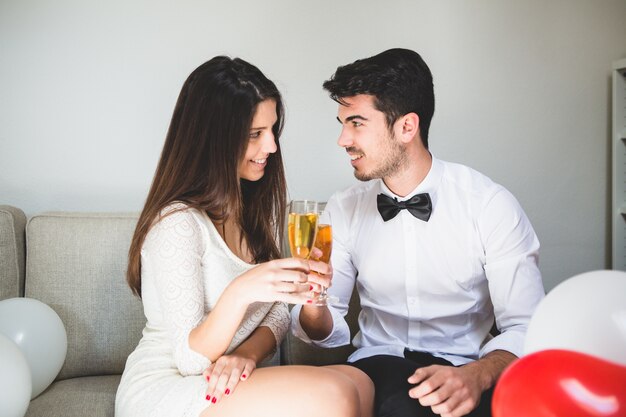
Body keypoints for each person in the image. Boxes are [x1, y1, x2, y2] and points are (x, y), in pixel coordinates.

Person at [292, 48, 546, 417]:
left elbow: (526, 325)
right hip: (376, 367)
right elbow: (325, 332)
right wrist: (313, 301)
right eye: (342, 123)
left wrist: (478, 375)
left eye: (357, 123)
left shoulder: (489, 205)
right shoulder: (344, 208)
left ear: (407, 127)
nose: (343, 139)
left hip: (467, 367)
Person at [115, 56, 373, 417]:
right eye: (255, 134)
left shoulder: (251, 206)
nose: (271, 147)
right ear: (213, 139)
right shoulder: (177, 222)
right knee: (334, 394)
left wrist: (246, 354)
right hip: (172, 386)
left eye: (272, 131)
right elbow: (190, 359)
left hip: (227, 375)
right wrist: (244, 288)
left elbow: (278, 316)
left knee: (358, 381)